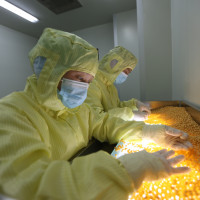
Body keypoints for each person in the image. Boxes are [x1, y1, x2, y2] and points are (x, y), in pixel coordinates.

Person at [0, 28, 192, 200]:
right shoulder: (11, 113)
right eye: (80, 78)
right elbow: (31, 186)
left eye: (89, 82)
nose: (84, 88)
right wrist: (123, 171)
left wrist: (150, 133)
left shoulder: (77, 109)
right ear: (51, 72)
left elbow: (105, 123)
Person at [85, 46, 151, 122]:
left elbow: (116, 107)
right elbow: (96, 117)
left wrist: (135, 104)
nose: (126, 76)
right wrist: (130, 115)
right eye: (125, 71)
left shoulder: (111, 86)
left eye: (128, 73)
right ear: (114, 65)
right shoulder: (91, 83)